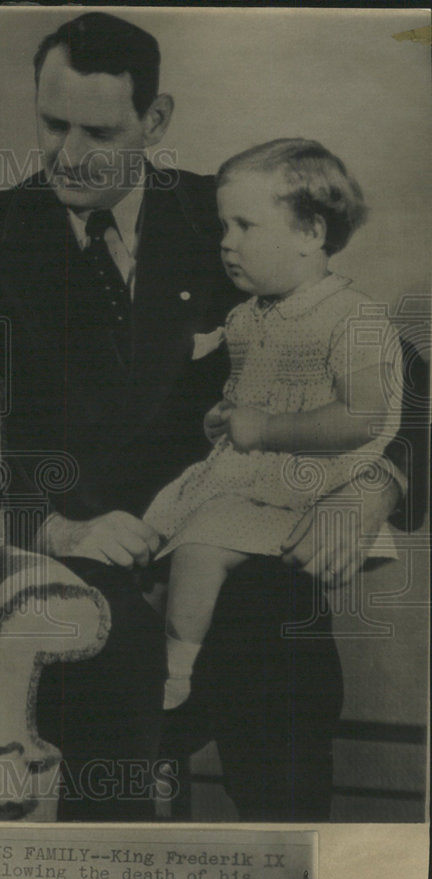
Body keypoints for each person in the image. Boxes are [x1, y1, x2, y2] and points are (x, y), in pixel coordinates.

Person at [0, 12, 414, 820]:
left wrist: (372, 486)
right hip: (64, 561)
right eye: (52, 122)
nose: (68, 153)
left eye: (99, 131)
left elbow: (398, 374)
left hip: (223, 542)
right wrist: (50, 529)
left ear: (156, 121)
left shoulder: (232, 217)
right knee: (108, 680)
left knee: (280, 640)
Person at [142, 140, 402, 708]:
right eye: (223, 226)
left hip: (306, 486)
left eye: (245, 226)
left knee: (200, 548)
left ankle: (174, 675)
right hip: (243, 472)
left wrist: (266, 429)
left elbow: (364, 415)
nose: (226, 243)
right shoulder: (246, 314)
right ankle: (140, 686)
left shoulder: (352, 315)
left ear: (311, 232)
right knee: (152, 557)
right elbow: (244, 395)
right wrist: (225, 419)